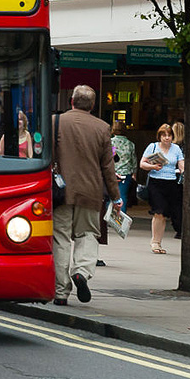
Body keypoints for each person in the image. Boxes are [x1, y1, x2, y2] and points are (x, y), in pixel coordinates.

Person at [52, 85, 121, 305]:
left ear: (72, 101)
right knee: (88, 234)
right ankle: (81, 271)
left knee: (60, 238)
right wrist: (116, 196)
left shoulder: (55, 122)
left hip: (60, 191)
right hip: (90, 191)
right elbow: (108, 167)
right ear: (92, 105)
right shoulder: (102, 127)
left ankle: (61, 292)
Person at [139, 123, 183, 253]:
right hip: (156, 182)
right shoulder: (152, 147)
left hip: (171, 183)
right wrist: (153, 167)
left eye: (169, 135)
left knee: (164, 214)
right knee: (158, 211)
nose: (167, 138)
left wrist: (185, 171)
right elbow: (142, 164)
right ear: (159, 136)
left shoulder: (176, 149)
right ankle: (155, 242)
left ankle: (158, 241)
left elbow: (182, 165)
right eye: (164, 135)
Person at [110, 121, 137, 213]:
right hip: (126, 173)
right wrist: (134, 173)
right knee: (123, 196)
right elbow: (133, 160)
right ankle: (120, 217)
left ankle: (108, 217)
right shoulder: (130, 144)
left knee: (109, 196)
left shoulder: (111, 142)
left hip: (111, 173)